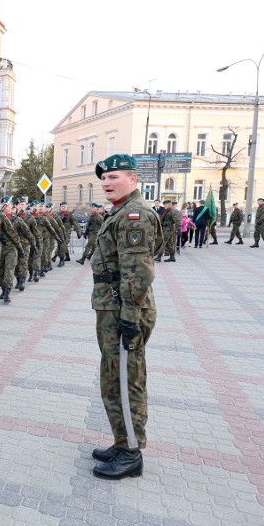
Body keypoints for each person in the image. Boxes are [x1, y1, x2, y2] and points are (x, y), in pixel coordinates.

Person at [89, 154, 162, 480]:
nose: (106, 182)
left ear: (132, 179)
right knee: (112, 377)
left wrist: (130, 317)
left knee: (126, 379)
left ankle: (132, 453)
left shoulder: (134, 216)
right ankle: (122, 441)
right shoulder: (120, 212)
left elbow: (139, 272)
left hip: (124, 309)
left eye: (113, 177)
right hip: (113, 306)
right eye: (103, 178)